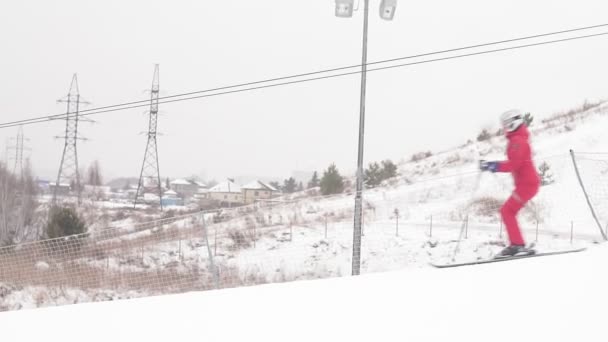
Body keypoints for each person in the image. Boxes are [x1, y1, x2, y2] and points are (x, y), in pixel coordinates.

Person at [479, 109, 540, 258]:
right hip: (525, 184)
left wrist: (493, 166)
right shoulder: (517, 139)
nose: (504, 128)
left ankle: (517, 245)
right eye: (504, 125)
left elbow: (514, 165)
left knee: (507, 211)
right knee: (508, 211)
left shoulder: (518, 141)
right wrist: (491, 165)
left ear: (513, 123)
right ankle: (517, 244)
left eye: (506, 124)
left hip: (528, 185)